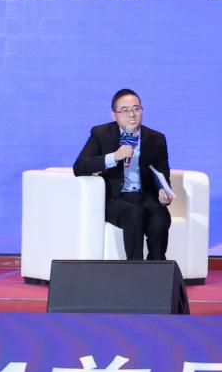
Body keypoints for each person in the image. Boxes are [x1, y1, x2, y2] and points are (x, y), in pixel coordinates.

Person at [73, 89, 173, 261]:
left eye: (136, 109)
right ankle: (135, 269)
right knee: (134, 215)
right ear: (114, 115)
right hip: (115, 199)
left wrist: (165, 194)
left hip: (145, 197)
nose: (131, 115)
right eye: (125, 110)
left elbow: (163, 174)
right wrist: (114, 157)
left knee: (161, 218)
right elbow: (80, 167)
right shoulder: (101, 134)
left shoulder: (156, 138)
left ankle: (157, 268)